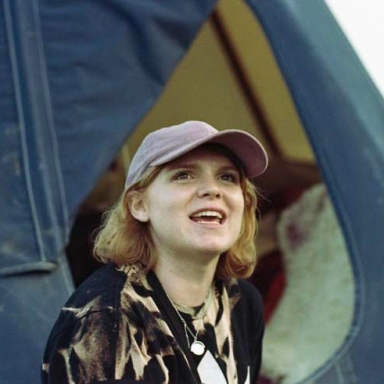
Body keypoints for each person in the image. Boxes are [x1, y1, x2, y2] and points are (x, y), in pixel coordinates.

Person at [41, 120, 268, 384]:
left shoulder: (241, 302)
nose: (212, 190)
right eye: (183, 175)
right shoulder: (107, 320)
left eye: (227, 177)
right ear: (139, 205)